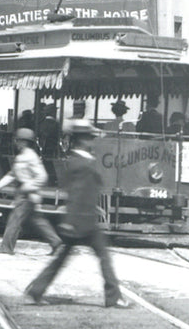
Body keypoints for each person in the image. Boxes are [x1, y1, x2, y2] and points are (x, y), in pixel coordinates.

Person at [25, 120, 129, 307]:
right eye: (89, 138)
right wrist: (70, 221)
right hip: (82, 223)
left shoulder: (78, 160)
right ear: (82, 140)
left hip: (82, 220)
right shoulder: (81, 163)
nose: (92, 141)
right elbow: (76, 194)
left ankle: (35, 291)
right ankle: (113, 297)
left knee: (62, 259)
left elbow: (83, 192)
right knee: (104, 257)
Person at [0, 128, 62, 255]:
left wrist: (28, 186)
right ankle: (56, 242)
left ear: (24, 142)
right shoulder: (23, 156)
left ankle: (6, 248)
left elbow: (42, 176)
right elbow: (13, 174)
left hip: (27, 195)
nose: (16, 143)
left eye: (18, 141)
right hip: (26, 194)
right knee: (38, 220)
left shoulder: (30, 157)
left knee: (14, 220)